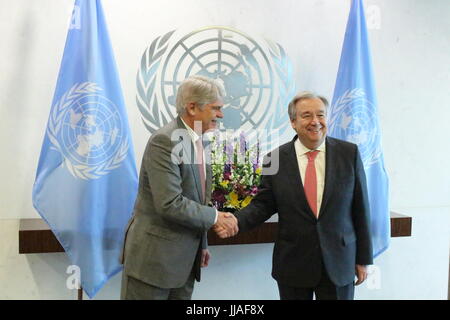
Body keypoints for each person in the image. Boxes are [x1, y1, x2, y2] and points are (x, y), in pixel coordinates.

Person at [215, 91, 373, 300]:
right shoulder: (274, 159)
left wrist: (363, 258)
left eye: (321, 115)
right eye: (307, 115)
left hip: (339, 261)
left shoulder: (349, 153)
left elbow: (361, 207)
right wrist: (235, 220)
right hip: (294, 263)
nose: (315, 122)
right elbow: (263, 205)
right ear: (293, 122)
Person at [120, 75, 238, 300]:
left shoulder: (199, 140)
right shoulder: (165, 141)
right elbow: (170, 203)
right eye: (216, 108)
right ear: (192, 107)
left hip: (185, 263)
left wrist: (201, 244)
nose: (221, 115)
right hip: (153, 264)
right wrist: (215, 218)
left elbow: (199, 199)